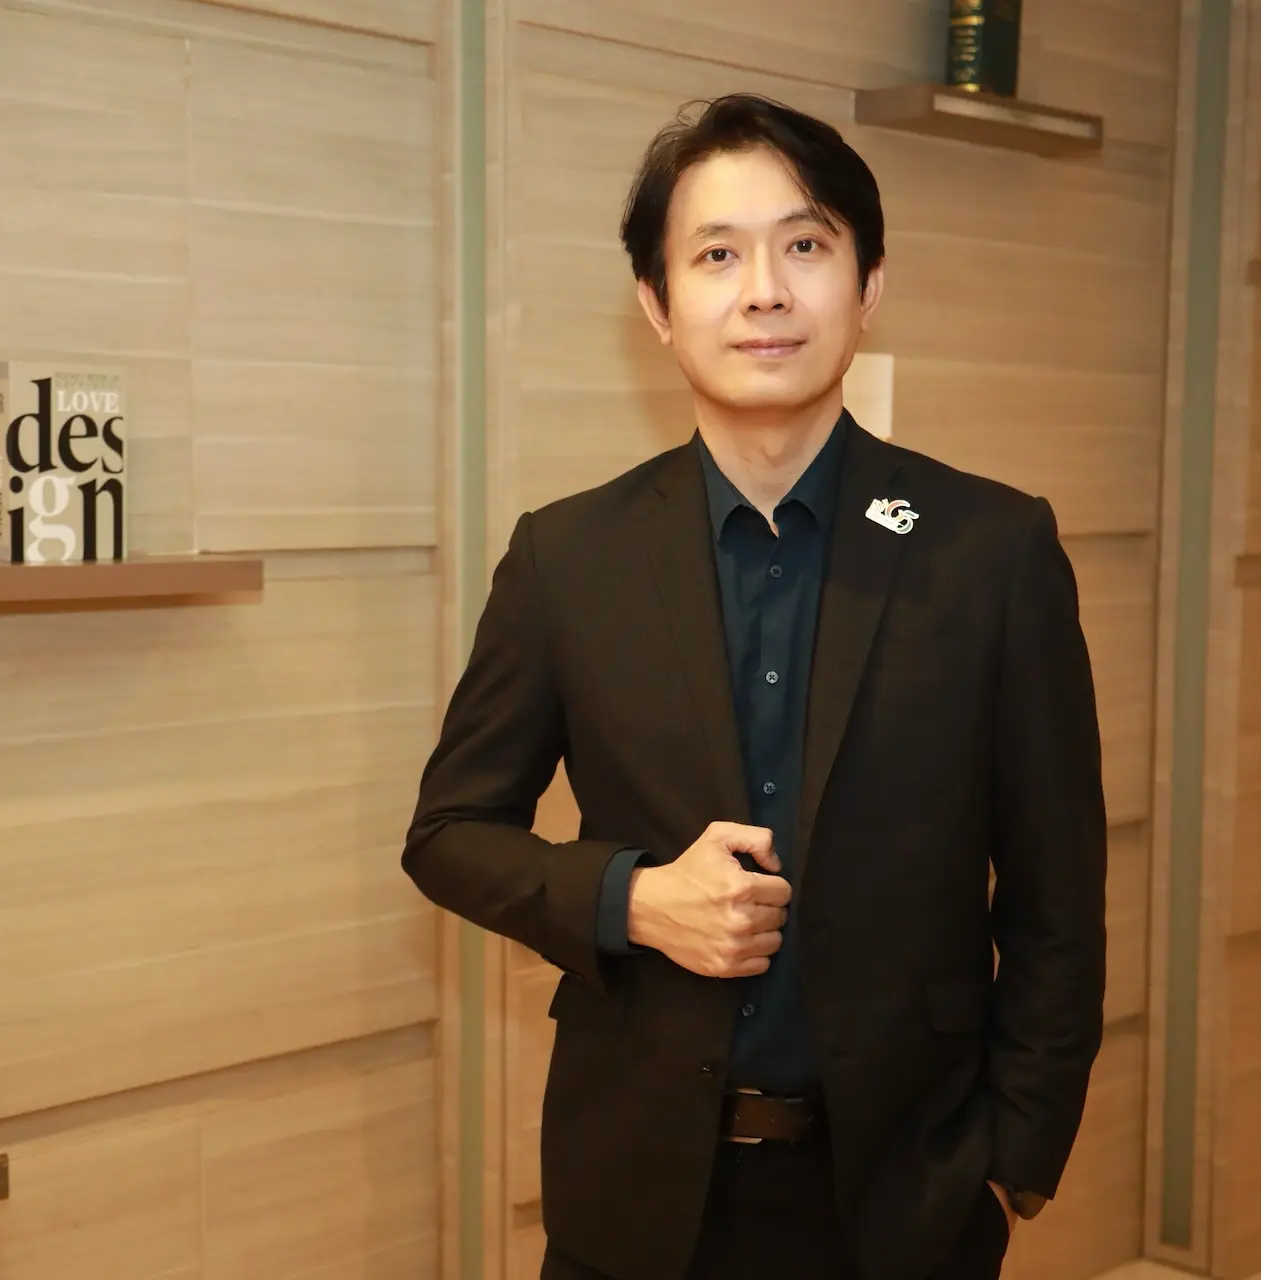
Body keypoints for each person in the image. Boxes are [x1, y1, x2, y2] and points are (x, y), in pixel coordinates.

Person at [402, 93, 1107, 1280]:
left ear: (868, 285)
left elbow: (1056, 892)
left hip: (910, 1201)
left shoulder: (991, 549)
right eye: (718, 255)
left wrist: (1013, 1156)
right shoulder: (567, 557)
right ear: (656, 304)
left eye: (806, 245)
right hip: (634, 1200)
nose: (765, 291)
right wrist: (632, 899)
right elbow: (450, 833)